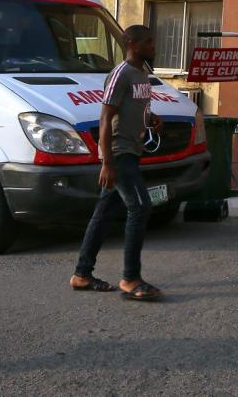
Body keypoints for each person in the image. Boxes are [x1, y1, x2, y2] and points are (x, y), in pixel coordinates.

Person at [70, 24, 165, 300]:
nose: (154, 47)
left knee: (104, 212)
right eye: (148, 42)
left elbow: (134, 110)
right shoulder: (120, 74)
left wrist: (152, 119)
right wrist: (107, 162)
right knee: (140, 207)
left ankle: (82, 274)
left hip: (132, 150)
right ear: (132, 45)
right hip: (119, 153)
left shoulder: (142, 74)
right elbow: (105, 117)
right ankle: (130, 279)